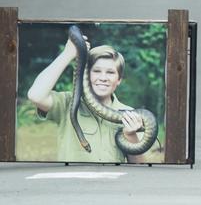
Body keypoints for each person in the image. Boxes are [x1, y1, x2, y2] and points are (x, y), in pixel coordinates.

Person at [27, 34, 144, 163]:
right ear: (86, 75)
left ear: (119, 80)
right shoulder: (67, 103)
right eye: (97, 71)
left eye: (110, 72)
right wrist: (67, 54)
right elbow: (35, 95)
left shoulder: (130, 115)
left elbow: (139, 167)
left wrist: (131, 136)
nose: (103, 78)